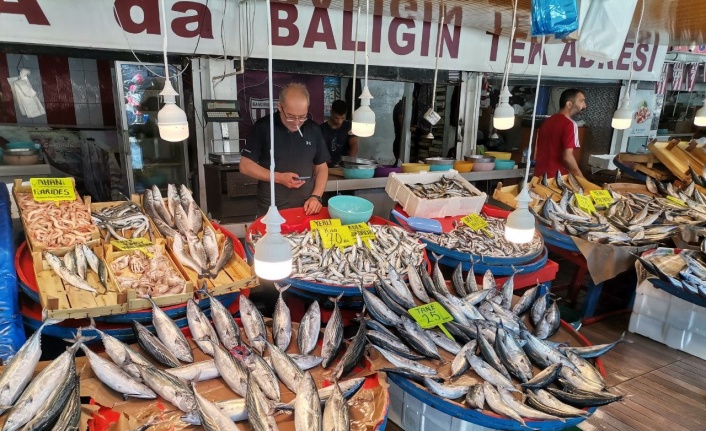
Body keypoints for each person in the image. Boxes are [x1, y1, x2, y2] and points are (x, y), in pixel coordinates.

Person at [240, 83, 330, 216]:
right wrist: (279, 177)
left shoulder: (313, 129)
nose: (296, 122)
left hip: (306, 208)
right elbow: (245, 166)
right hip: (272, 209)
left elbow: (322, 167)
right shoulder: (264, 127)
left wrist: (316, 197)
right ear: (279, 107)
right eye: (291, 116)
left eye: (302, 116)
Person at [534, 89, 586, 178]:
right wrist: (583, 182)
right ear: (569, 104)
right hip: (556, 179)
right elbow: (567, 157)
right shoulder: (569, 124)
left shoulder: (547, 122)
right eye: (582, 101)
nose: (584, 105)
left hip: (539, 176)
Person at [320, 99, 358, 166]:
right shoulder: (321, 129)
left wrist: (349, 162)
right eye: (336, 118)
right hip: (326, 167)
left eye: (342, 118)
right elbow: (319, 149)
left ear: (346, 113)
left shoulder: (349, 126)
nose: (339, 121)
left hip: (345, 166)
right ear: (331, 112)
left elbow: (354, 144)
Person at [392, 97, 405, 165]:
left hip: (399, 141)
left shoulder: (401, 105)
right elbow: (403, 124)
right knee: (399, 164)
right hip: (400, 142)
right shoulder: (401, 106)